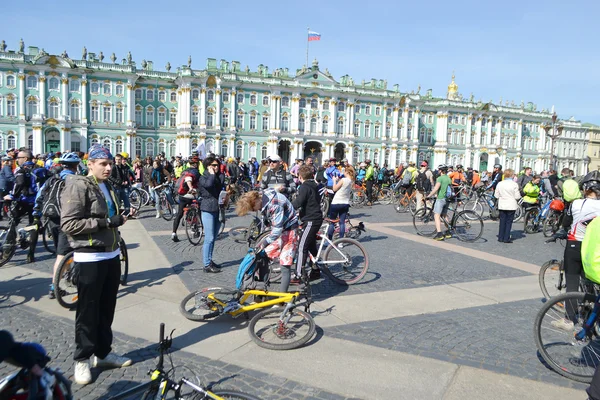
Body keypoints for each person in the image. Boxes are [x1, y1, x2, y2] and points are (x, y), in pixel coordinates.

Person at [60, 144, 131, 385]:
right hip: (89, 257)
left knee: (106, 309)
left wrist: (117, 220)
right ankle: (81, 359)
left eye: (110, 163)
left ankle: (103, 353)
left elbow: (110, 217)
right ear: (90, 164)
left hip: (111, 256)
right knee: (88, 312)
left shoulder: (107, 184)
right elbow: (69, 224)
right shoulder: (78, 184)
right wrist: (105, 222)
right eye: (103, 164)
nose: (109, 168)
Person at [551, 170, 600, 331]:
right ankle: (593, 314)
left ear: (585, 189)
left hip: (575, 245)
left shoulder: (576, 204)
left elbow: (566, 223)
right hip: (593, 249)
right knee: (593, 281)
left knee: (572, 284)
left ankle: (569, 319)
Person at [33, 152, 80, 298]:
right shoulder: (75, 180)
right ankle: (55, 287)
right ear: (76, 166)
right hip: (67, 221)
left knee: (61, 252)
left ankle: (64, 277)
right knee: (62, 255)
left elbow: (39, 197)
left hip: (51, 220)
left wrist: (36, 215)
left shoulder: (51, 179)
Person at [236, 188, 299, 293]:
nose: (254, 210)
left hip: (289, 230)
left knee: (285, 265)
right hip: (280, 229)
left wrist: (265, 242)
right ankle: (262, 291)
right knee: (262, 255)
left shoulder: (274, 204)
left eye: (253, 208)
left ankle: (281, 301)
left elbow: (277, 230)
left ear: (256, 200)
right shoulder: (263, 196)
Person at [3, 150, 38, 263]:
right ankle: (31, 255)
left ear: (26, 158)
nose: (17, 159)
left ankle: (6, 252)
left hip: (22, 201)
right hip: (36, 202)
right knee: (34, 227)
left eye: (19, 157)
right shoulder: (40, 169)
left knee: (13, 223)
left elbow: (19, 183)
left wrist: (12, 195)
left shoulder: (21, 169)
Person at [292, 165, 324, 282]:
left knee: (302, 247)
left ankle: (298, 275)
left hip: (311, 220)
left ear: (300, 176)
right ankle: (316, 270)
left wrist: (288, 207)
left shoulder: (304, 186)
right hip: (315, 218)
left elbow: (299, 201)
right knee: (311, 246)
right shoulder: (314, 185)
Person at [198, 156, 225, 273]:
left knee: (213, 237)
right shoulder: (203, 177)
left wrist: (217, 175)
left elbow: (221, 184)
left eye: (217, 165)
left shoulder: (218, 176)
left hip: (218, 208)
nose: (216, 167)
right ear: (208, 166)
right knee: (209, 238)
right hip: (207, 208)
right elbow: (208, 185)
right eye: (213, 165)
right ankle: (206, 264)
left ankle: (209, 259)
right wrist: (212, 174)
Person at [171, 157, 200, 243]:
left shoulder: (184, 171)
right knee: (198, 208)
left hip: (181, 195)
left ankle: (173, 233)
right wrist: (191, 187)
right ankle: (195, 229)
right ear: (196, 164)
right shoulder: (194, 172)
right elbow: (188, 179)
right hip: (190, 195)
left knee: (179, 213)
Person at [326, 165, 355, 242]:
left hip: (336, 202)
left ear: (347, 172)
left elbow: (334, 189)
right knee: (342, 223)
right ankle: (340, 242)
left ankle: (329, 241)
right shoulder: (352, 181)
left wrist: (334, 181)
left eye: (344, 171)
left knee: (332, 222)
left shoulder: (343, 179)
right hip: (345, 203)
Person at [494, 169, 521, 243]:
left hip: (502, 204)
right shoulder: (514, 184)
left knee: (502, 221)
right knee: (509, 222)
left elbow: (496, 195)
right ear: (512, 175)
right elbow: (517, 196)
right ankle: (506, 238)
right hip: (511, 205)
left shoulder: (500, 183)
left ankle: (500, 237)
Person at [427, 164, 452, 241]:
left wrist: (428, 196)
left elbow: (436, 188)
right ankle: (448, 232)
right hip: (447, 199)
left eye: (439, 170)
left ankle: (439, 234)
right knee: (444, 215)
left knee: (436, 215)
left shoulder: (440, 178)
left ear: (441, 171)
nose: (438, 171)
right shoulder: (448, 178)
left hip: (441, 198)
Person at [0, 156, 15, 220]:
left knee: (2, 201)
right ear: (7, 162)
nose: (12, 162)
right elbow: (9, 176)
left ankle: (3, 214)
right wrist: (15, 181)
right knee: (5, 201)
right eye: (11, 161)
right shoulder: (6, 167)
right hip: (5, 186)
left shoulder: (5, 167)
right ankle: (5, 214)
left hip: (3, 186)